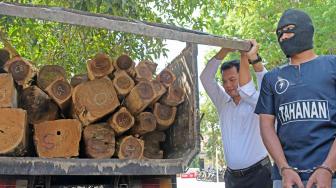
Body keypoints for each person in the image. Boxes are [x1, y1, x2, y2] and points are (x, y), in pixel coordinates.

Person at [255, 9, 336, 188]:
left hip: (330, 178)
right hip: (286, 179)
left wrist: (328, 168)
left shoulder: (332, 66)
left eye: (289, 29)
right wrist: (284, 168)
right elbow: (266, 126)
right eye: (279, 33)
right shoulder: (272, 78)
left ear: (307, 29)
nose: (283, 37)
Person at [200, 40, 272, 188]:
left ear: (243, 75)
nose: (227, 85)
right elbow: (205, 78)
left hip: (259, 176)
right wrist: (224, 50)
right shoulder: (223, 102)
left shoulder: (257, 101)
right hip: (232, 179)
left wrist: (248, 57)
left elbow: (267, 83)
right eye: (224, 81)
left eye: (232, 80)